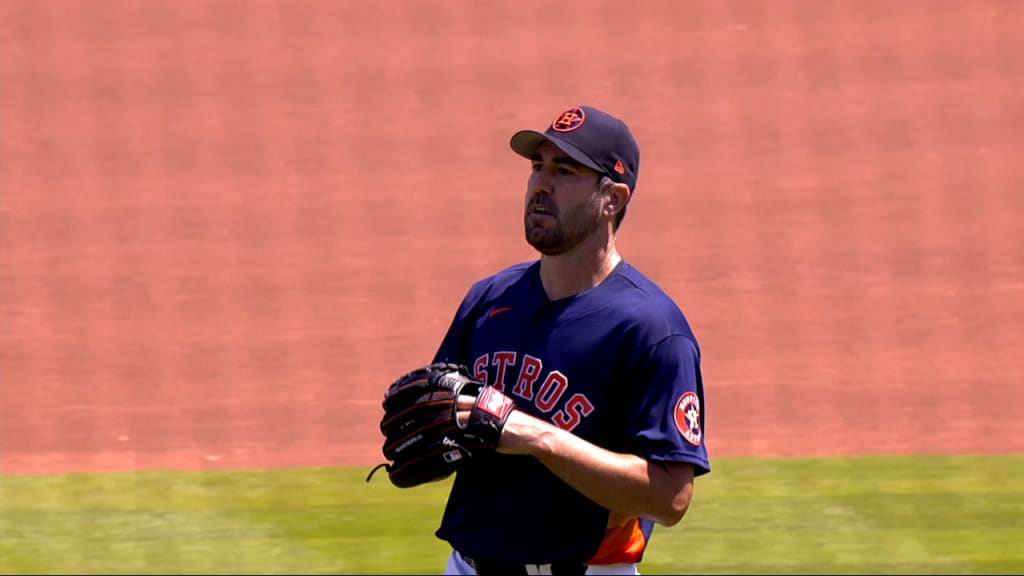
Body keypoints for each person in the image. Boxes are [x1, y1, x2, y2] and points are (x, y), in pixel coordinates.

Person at [432, 105, 711, 575]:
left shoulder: (652, 329)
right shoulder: (489, 298)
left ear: (613, 199)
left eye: (565, 171)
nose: (541, 184)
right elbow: (439, 430)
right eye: (537, 166)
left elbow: (670, 497)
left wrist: (536, 437)